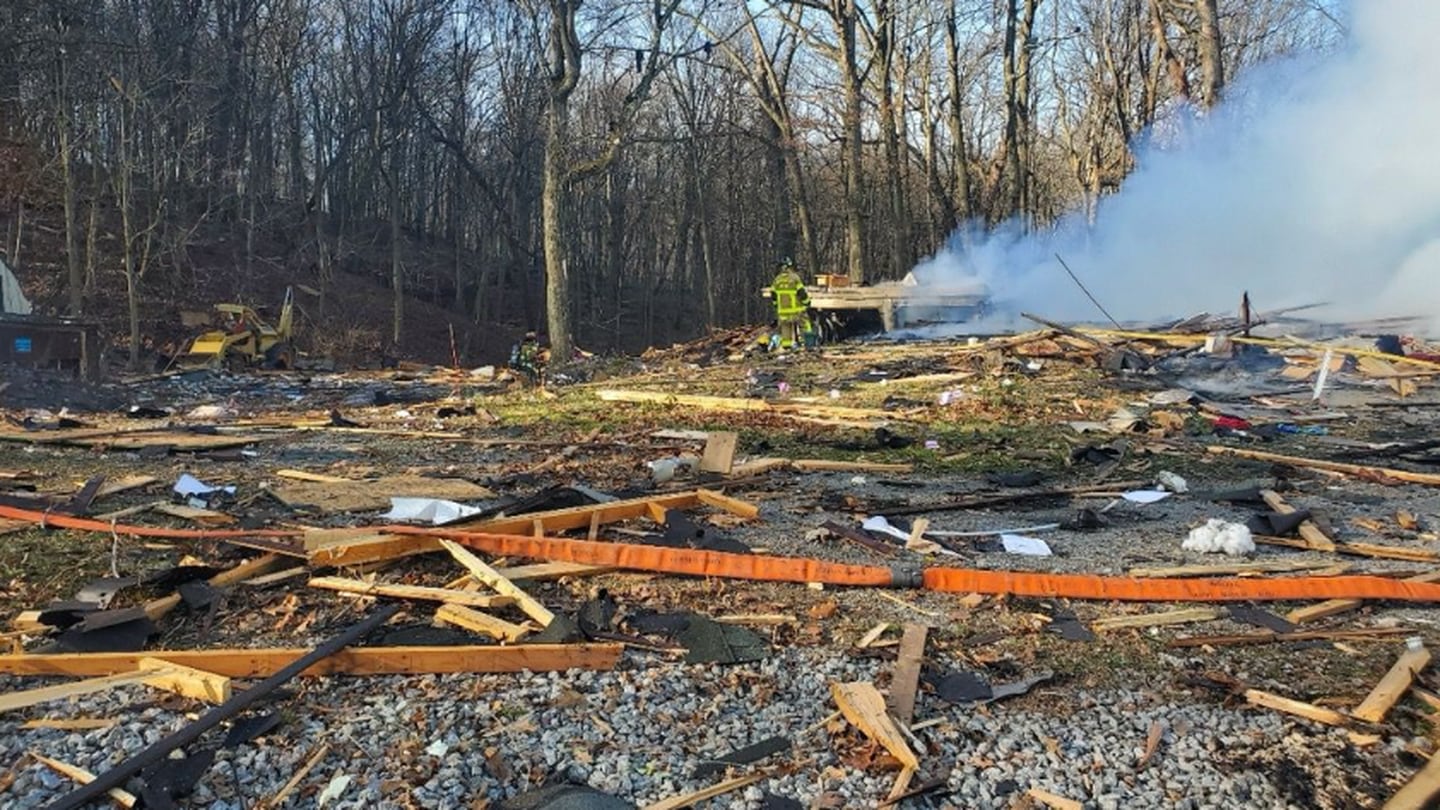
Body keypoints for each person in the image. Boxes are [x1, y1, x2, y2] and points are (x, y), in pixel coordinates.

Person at [769, 257, 810, 350]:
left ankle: (786, 347)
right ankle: (807, 344)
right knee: (805, 324)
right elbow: (802, 293)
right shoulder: (794, 278)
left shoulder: (777, 280)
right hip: (796, 310)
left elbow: (773, 295)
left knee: (785, 328)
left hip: (783, 312)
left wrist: (777, 306)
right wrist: (807, 303)